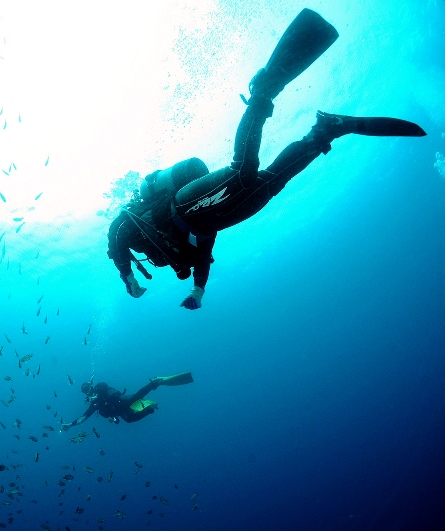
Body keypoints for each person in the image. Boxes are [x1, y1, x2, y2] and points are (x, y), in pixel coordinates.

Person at [107, 9, 426, 310]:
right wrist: (198, 289)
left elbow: (115, 236)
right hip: (212, 221)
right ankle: (324, 132)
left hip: (183, 206)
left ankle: (262, 93)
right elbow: (203, 251)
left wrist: (127, 276)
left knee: (243, 173)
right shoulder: (160, 249)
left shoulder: (129, 225)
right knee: (269, 184)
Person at [61, 372, 194, 430]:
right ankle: (149, 410)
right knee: (130, 420)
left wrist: (97, 394)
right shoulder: (94, 404)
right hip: (120, 411)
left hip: (120, 401)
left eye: (87, 388)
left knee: (136, 397)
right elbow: (84, 416)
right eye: (85, 391)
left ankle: (155, 382)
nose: (88, 391)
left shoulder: (98, 387)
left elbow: (104, 386)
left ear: (90, 386)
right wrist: (71, 425)